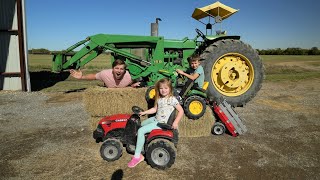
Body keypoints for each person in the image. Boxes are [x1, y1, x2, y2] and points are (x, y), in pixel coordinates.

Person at [127, 78, 184, 168]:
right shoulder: (159, 98)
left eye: (166, 88)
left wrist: (176, 122)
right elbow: (155, 109)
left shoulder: (172, 99)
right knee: (141, 124)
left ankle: (137, 156)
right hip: (156, 119)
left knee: (141, 130)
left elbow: (181, 111)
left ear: (170, 89)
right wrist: (144, 112)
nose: (163, 90)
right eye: (161, 88)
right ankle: (142, 143)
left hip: (161, 123)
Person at [69, 59, 140, 88]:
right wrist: (82, 77)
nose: (119, 71)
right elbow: (94, 76)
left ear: (124, 70)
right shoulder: (105, 74)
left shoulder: (130, 77)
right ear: (112, 69)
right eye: (117, 68)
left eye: (121, 69)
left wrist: (133, 85)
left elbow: (133, 83)